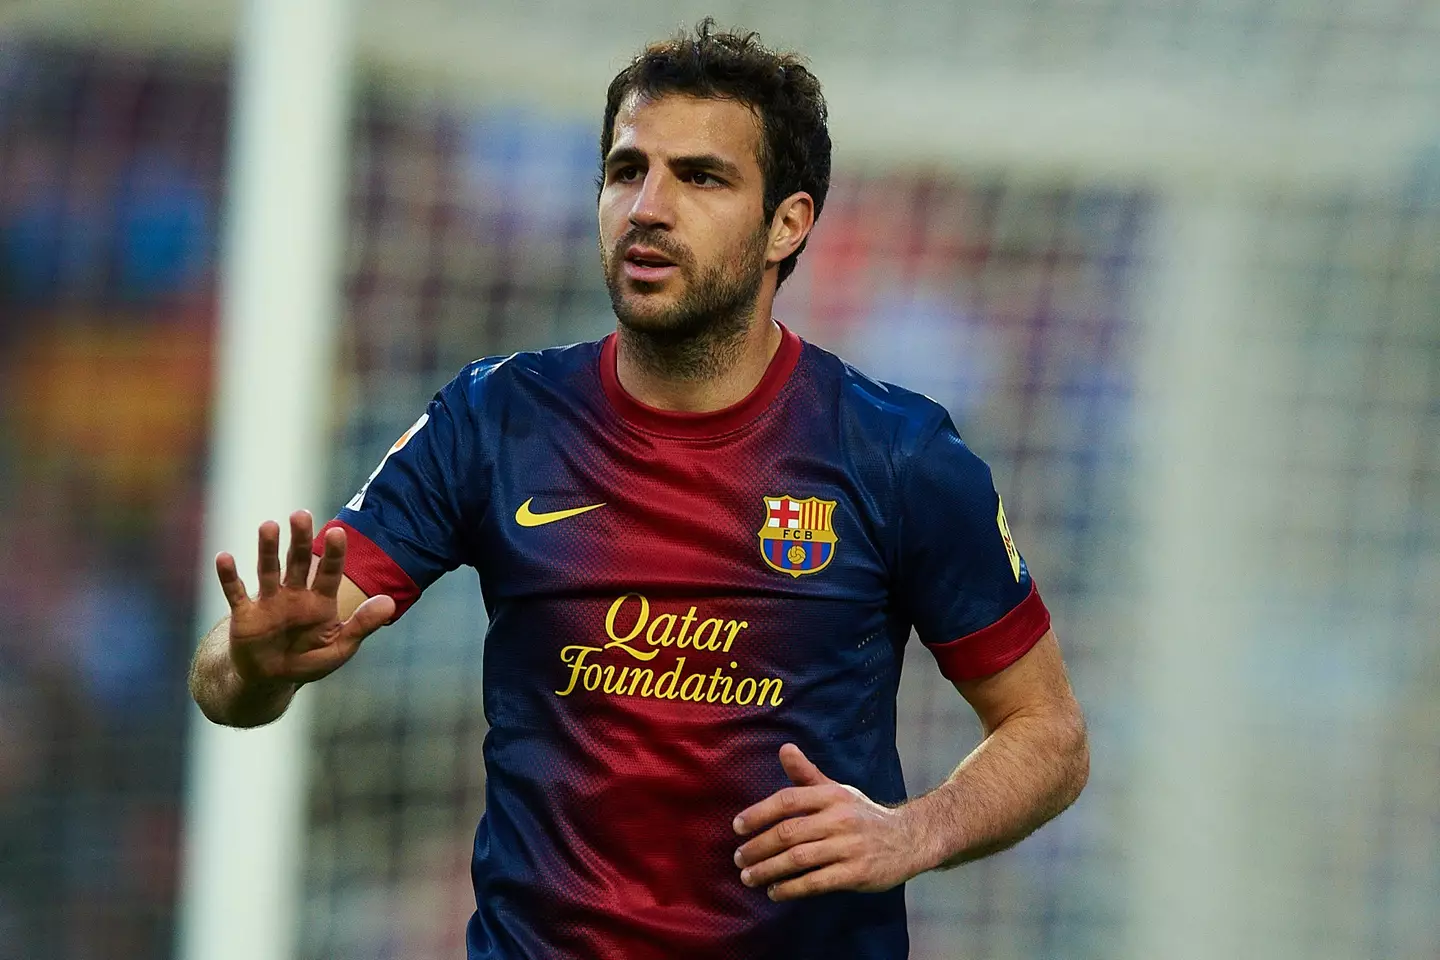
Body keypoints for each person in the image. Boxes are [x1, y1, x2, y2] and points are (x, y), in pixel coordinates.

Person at [189, 20, 1088, 959]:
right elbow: (234, 678)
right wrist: (249, 666)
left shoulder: (895, 453)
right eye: (627, 171)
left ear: (789, 223)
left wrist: (914, 832)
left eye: (701, 177)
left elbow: (1049, 733)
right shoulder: (495, 419)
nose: (647, 207)